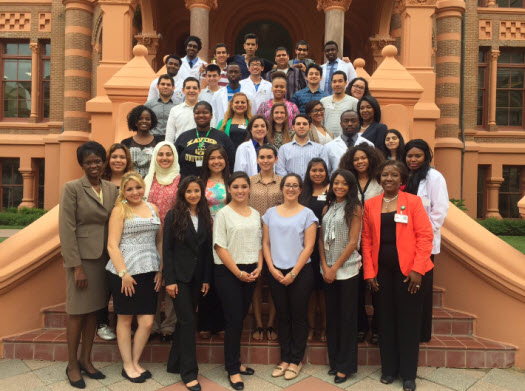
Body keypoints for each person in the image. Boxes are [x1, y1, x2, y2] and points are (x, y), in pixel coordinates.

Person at [361, 160, 434, 391]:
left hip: (409, 274)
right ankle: (389, 369)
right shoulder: (371, 204)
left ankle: (408, 374)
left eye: (393, 175)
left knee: (409, 323)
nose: (388, 179)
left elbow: (425, 236)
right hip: (381, 272)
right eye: (384, 175)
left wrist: (417, 269)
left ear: (402, 179)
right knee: (385, 321)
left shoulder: (413, 202)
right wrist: (370, 272)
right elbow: (366, 240)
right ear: (379, 179)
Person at [59, 141, 118, 389]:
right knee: (77, 312)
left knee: (95, 310)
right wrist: (76, 266)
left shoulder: (111, 189)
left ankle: (86, 359)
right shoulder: (72, 188)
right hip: (82, 260)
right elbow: (67, 229)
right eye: (89, 162)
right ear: (81, 164)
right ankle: (72, 364)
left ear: (103, 162)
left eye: (97, 161)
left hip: (105, 259)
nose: (94, 165)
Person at [106, 172, 162, 384]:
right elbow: (112, 245)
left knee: (147, 321)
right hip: (124, 273)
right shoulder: (120, 210)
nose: (135, 192)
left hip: (149, 270)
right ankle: (127, 365)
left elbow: (159, 241)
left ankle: (136, 361)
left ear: (143, 187)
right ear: (123, 191)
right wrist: (124, 273)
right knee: (125, 319)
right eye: (129, 189)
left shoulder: (153, 208)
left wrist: (160, 269)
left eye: (138, 187)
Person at [262, 174, 318, 380]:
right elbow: (266, 243)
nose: (291, 189)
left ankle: (296, 360)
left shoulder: (308, 214)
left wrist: (294, 273)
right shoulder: (270, 214)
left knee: (298, 316)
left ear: (301, 190)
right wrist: (272, 268)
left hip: (301, 272)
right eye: (287, 185)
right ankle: (284, 358)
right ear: (282, 188)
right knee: (283, 316)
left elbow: (309, 247)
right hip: (276, 271)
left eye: (295, 186)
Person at [213, 172, 263, 390]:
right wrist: (238, 273)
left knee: (240, 317)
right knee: (233, 320)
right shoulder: (223, 214)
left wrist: (259, 266)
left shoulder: (255, 213)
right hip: (228, 271)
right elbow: (219, 247)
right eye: (236, 187)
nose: (240, 190)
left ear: (249, 189)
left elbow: (260, 243)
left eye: (244, 186)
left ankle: (235, 362)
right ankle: (233, 369)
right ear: (229, 189)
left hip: (251, 270)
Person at [164, 176, 213, 391]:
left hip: (197, 278)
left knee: (185, 320)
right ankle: (189, 372)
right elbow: (167, 250)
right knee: (188, 322)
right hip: (180, 279)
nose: (193, 195)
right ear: (182, 193)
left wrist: (206, 278)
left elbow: (205, 250)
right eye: (189, 191)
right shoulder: (173, 215)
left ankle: (174, 363)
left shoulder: (203, 214)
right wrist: (170, 280)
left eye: (197, 191)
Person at [318, 169, 362, 384]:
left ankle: (346, 366)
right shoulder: (327, 207)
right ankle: (334, 362)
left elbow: (353, 241)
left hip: (347, 270)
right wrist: (325, 266)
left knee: (346, 319)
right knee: (332, 318)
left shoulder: (354, 208)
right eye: (336, 183)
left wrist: (335, 267)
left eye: (344, 183)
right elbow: (320, 239)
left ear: (350, 186)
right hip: (327, 270)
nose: (339, 187)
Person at [403, 139, 449, 343]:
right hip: (403, 240)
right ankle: (408, 327)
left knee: (422, 286)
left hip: (424, 243)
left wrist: (422, 235)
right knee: (406, 286)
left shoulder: (434, 177)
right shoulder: (405, 176)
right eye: (409, 156)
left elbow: (439, 212)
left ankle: (421, 332)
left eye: (417, 156)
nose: (413, 160)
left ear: (426, 157)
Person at [339, 144, 384, 344]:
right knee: (355, 287)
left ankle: (377, 328)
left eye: (363, 158)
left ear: (371, 159)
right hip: (353, 240)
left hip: (377, 240)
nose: (360, 162)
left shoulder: (380, 180)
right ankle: (360, 326)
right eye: (356, 159)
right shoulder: (349, 182)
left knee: (376, 287)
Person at [144, 142, 181, 341]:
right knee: (153, 281)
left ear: (174, 156)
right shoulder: (148, 179)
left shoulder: (179, 179)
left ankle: (169, 325)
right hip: (150, 237)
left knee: (171, 279)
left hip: (174, 236)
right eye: (161, 154)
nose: (165, 158)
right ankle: (152, 325)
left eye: (169, 154)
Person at [97, 143, 133, 341]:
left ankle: (124, 324)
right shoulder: (100, 182)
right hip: (104, 239)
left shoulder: (133, 181)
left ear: (127, 160)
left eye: (122, 157)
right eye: (114, 157)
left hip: (127, 242)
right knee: (104, 285)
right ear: (108, 160)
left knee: (123, 283)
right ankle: (102, 323)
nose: (118, 160)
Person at [249, 144, 282, 342]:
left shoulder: (283, 182)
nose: (266, 160)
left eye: (270, 157)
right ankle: (259, 325)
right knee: (256, 281)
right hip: (254, 235)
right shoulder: (250, 182)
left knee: (274, 281)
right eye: (262, 157)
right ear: (257, 159)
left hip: (278, 238)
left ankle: (271, 324)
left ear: (276, 159)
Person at [198, 145, 229, 339]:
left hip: (226, 236)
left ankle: (221, 322)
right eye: (212, 158)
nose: (216, 161)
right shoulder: (201, 182)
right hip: (204, 235)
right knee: (205, 277)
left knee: (222, 278)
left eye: (220, 157)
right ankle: (205, 323)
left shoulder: (231, 181)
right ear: (206, 161)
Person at [298, 158, 330, 343]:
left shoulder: (332, 190)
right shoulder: (304, 193)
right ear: (308, 172)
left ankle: (324, 328)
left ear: (326, 172)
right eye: (314, 170)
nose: (317, 173)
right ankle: (311, 328)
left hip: (326, 246)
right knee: (310, 291)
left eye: (321, 170)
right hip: (306, 247)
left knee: (324, 292)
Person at [175, 101, 235, 178]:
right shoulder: (183, 137)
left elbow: (231, 161)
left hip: (215, 184)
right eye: (197, 113)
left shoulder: (222, 137)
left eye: (205, 113)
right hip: (188, 183)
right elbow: (175, 162)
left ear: (211, 116)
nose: (201, 115)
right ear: (193, 115)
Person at [275, 114, 327, 180]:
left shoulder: (320, 149)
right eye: (298, 124)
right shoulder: (284, 149)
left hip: (312, 188)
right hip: (291, 188)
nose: (301, 126)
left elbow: (324, 170)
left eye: (305, 124)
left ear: (310, 127)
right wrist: (292, 184)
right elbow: (280, 170)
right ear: (293, 127)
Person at [324, 110, 374, 175]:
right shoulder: (329, 147)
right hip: (338, 183)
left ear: (358, 123)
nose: (350, 124)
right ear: (341, 124)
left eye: (353, 121)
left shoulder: (369, 145)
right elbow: (326, 172)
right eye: (346, 121)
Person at [121, 105, 163, 178]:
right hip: (132, 182)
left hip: (154, 183)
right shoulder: (126, 143)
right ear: (135, 121)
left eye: (147, 119)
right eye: (140, 119)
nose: (144, 121)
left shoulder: (160, 141)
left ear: (152, 121)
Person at [165, 78, 204, 144]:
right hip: (180, 150)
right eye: (188, 88)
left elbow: (212, 132)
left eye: (194, 88)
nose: (191, 91)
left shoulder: (206, 110)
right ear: (183, 90)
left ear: (199, 90)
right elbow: (169, 137)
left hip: (201, 149)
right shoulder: (175, 110)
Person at [321, 71, 359, 137]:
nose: (337, 84)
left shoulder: (354, 102)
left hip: (347, 141)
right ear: (331, 83)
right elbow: (320, 122)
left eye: (340, 81)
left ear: (346, 83)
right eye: (334, 82)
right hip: (327, 140)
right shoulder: (323, 101)